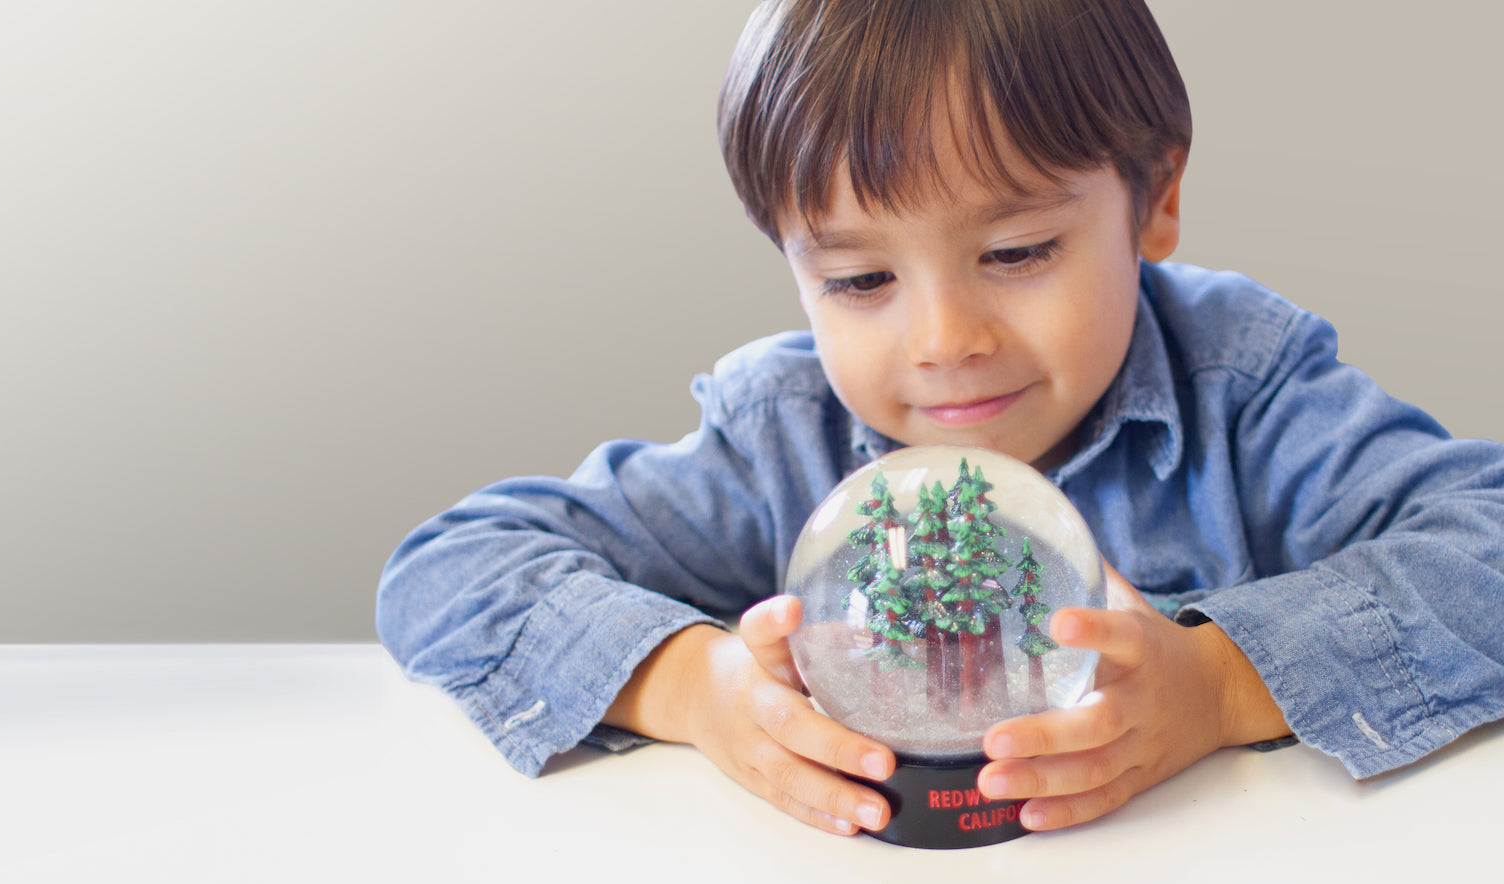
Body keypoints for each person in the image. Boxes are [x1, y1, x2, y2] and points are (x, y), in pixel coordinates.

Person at [377, 0, 1504, 837]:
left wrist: (1218, 687)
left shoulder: (1245, 390)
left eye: (1014, 253)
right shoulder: (784, 435)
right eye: (860, 281)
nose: (943, 339)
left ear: (1153, 197)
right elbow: (455, 567)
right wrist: (692, 686)